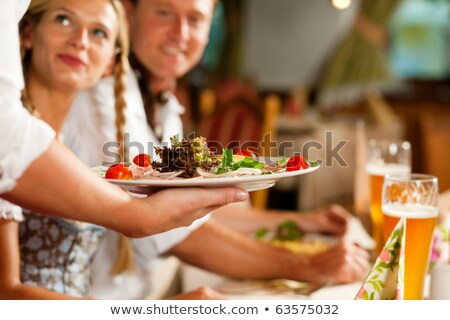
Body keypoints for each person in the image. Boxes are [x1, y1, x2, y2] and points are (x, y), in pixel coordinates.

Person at [64, 0, 370, 299]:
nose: (180, 32)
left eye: (195, 19)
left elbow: (193, 211)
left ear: (210, 28)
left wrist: (302, 222)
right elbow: (173, 234)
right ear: (129, 15)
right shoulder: (100, 100)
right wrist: (308, 265)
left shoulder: (165, 105)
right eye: (164, 12)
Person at [0, 0, 247, 300]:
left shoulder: (65, 145)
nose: (80, 41)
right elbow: (6, 292)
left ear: (110, 63)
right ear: (27, 33)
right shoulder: (15, 149)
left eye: (99, 33)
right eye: (64, 20)